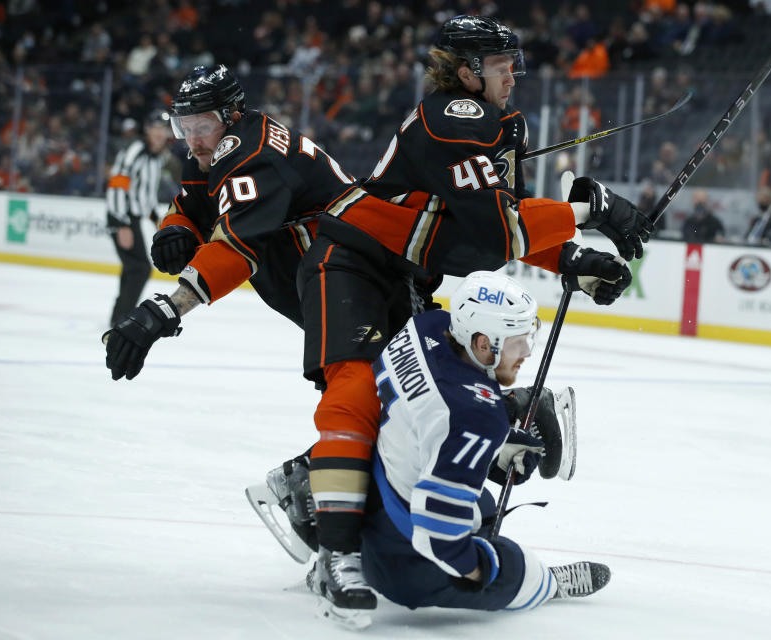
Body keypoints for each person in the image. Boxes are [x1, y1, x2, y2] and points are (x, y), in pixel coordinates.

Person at [250, 15, 653, 625]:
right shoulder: (453, 117)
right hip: (349, 263)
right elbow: (494, 232)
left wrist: (571, 256)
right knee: (358, 392)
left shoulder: (493, 126)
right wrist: (586, 211)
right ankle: (336, 554)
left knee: (424, 399)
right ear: (468, 73)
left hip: (404, 276)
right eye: (500, 67)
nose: (513, 76)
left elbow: (499, 218)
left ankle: (312, 485)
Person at [102, 64, 433, 381]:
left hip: (372, 281)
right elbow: (189, 204)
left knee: (388, 384)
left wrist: (165, 312)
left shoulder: (251, 155)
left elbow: (236, 249)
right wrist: (177, 230)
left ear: (231, 116)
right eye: (184, 129)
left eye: (200, 127)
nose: (193, 141)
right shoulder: (213, 150)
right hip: (335, 283)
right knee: (361, 388)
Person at [355, 271, 610, 629]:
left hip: (366, 494)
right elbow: (438, 536)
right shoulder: (477, 416)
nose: (527, 351)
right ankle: (547, 584)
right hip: (400, 563)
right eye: (517, 341)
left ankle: (338, 549)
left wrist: (490, 445)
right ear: (481, 343)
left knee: (484, 507)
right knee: (513, 570)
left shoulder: (428, 326)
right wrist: (480, 570)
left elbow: (434, 413)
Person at [106, 111, 171, 327]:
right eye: (156, 128)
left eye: (163, 129)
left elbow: (146, 197)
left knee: (133, 267)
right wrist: (121, 223)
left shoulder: (156, 157)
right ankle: (123, 318)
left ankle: (119, 315)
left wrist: (156, 219)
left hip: (130, 217)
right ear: (147, 130)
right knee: (140, 268)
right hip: (121, 215)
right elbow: (117, 184)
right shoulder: (136, 151)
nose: (160, 133)